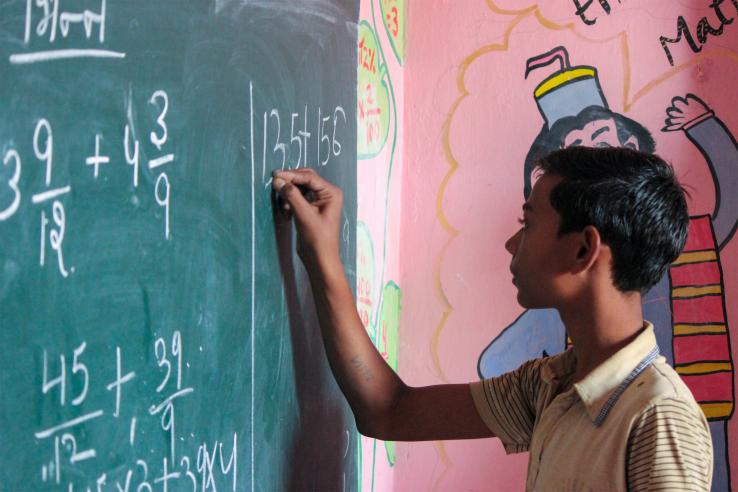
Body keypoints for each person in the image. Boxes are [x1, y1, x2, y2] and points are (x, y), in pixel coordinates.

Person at [272, 146, 713, 491]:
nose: (511, 243)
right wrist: (322, 259)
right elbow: (389, 411)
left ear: (583, 250)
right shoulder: (549, 385)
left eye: (529, 223)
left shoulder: (659, 416)